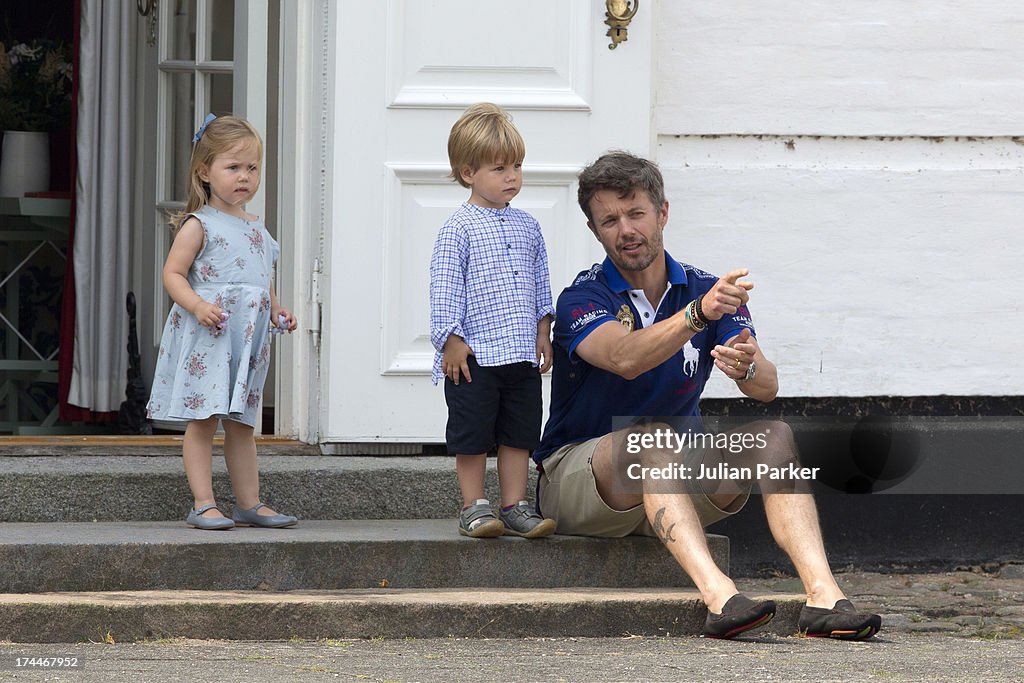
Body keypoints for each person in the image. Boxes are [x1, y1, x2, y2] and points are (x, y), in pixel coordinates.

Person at [534, 151, 881, 640]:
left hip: (675, 478)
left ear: (663, 213)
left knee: (774, 436)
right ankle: (720, 596)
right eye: (609, 220)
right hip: (583, 481)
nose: (626, 229)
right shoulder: (582, 299)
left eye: (636, 213)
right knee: (648, 440)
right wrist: (697, 316)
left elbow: (767, 388)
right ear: (595, 231)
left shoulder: (704, 288)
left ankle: (823, 597)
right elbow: (626, 358)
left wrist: (748, 365)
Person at [146, 114, 298, 531]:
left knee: (242, 424)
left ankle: (249, 502)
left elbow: (259, 282)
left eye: (251, 168)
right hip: (211, 338)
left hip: (246, 341)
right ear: (204, 172)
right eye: (233, 167)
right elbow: (172, 274)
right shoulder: (201, 224)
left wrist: (277, 308)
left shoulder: (256, 228)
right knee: (203, 420)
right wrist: (196, 305)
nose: (244, 177)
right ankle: (203, 503)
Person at [430, 103, 557, 539]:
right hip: (475, 355)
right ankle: (474, 506)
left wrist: (543, 330)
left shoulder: (528, 226)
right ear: (468, 173)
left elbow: (541, 279)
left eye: (517, 166)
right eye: (500, 168)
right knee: (472, 432)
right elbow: (445, 284)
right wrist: (450, 339)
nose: (512, 177)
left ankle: (514, 505)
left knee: (518, 432)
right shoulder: (458, 228)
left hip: (520, 352)